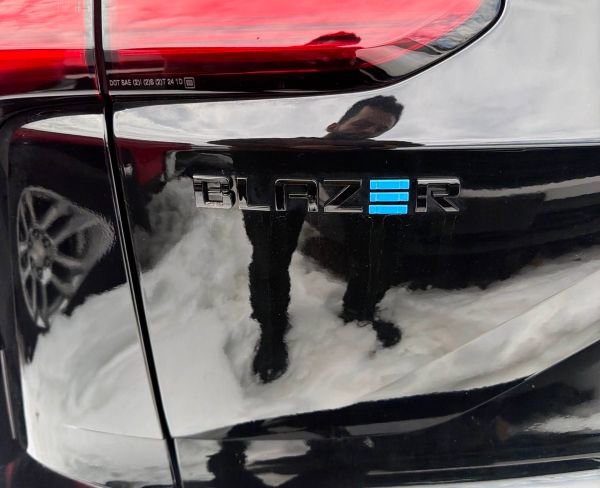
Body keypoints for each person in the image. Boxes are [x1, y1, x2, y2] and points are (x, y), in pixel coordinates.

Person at [243, 95, 405, 383]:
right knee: (269, 259)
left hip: (364, 174)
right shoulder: (290, 151)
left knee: (375, 252)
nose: (370, 133)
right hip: (287, 173)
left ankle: (360, 311)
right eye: (362, 124)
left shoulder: (380, 160)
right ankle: (271, 331)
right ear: (334, 126)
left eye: (380, 131)